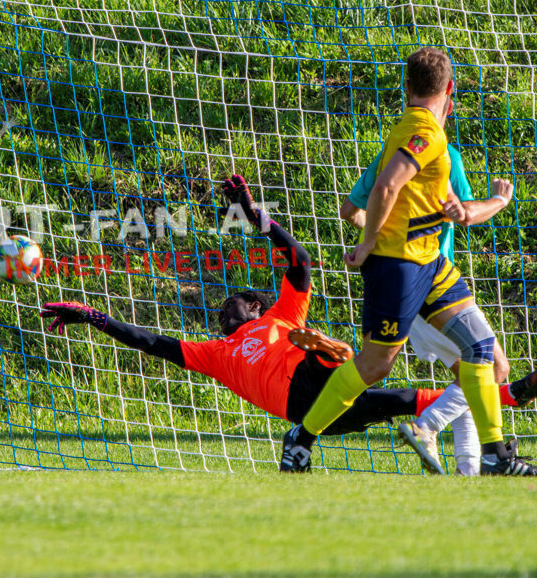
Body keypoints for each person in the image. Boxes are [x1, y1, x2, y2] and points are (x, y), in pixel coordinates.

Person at [282, 47, 537, 476]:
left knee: (479, 347)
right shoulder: (425, 132)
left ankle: (497, 456)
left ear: (406, 88)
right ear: (450, 90)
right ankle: (302, 437)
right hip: (398, 266)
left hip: (431, 264)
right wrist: (369, 245)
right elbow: (387, 186)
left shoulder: (420, 132)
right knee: (374, 366)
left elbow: (388, 196)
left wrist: (458, 211)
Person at [43, 175, 454, 443]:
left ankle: (511, 393)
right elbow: (150, 342)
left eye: (229, 304)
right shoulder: (216, 354)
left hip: (315, 391)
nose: (221, 314)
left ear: (255, 305)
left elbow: (301, 259)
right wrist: (90, 315)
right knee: (374, 390)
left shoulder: (282, 315)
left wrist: (256, 215)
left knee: (416, 399)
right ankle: (332, 356)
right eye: (220, 313)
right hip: (304, 404)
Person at [342, 139, 537, 475]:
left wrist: (380, 239)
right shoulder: (444, 154)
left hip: (399, 286)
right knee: (494, 367)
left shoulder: (390, 155)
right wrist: (500, 199)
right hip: (434, 286)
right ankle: (428, 426)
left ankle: (470, 470)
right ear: (446, 103)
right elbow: (467, 214)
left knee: (468, 374)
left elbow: (350, 211)